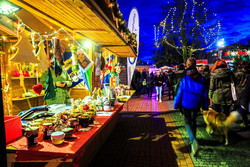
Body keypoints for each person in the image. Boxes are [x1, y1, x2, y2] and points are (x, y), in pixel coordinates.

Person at [174, 57, 209, 156]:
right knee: (193, 122)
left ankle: (193, 142)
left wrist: (176, 104)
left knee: (188, 122)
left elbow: (179, 92)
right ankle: (194, 139)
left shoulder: (184, 78)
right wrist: (205, 106)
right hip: (197, 104)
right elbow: (205, 93)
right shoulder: (201, 78)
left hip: (186, 104)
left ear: (187, 65)